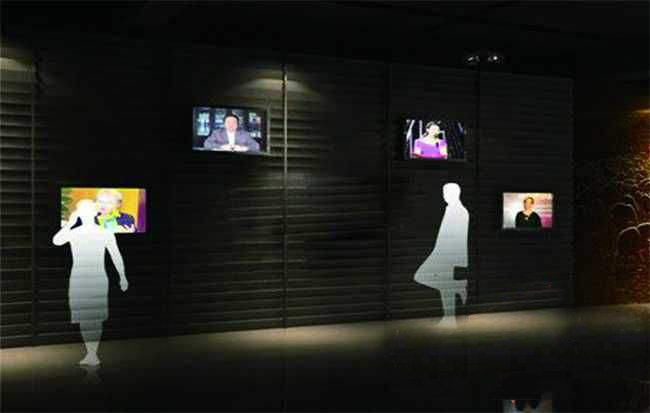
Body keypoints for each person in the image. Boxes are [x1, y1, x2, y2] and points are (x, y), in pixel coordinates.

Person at [53, 199, 128, 365]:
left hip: (97, 277)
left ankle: (93, 353)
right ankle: (91, 353)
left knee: (95, 316)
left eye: (87, 210)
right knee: (84, 316)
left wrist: (122, 276)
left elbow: (116, 255)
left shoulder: (104, 232)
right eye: (81, 210)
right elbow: (56, 241)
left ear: (95, 213)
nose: (84, 213)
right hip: (79, 278)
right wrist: (70, 223)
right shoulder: (74, 232)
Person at [414, 183, 469, 327]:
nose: (445, 196)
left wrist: (457, 258)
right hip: (442, 251)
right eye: (444, 193)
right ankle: (450, 316)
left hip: (447, 253)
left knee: (421, 276)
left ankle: (450, 315)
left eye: (447, 193)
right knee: (445, 285)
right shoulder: (451, 209)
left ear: (456, 194)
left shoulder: (459, 211)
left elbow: (460, 237)